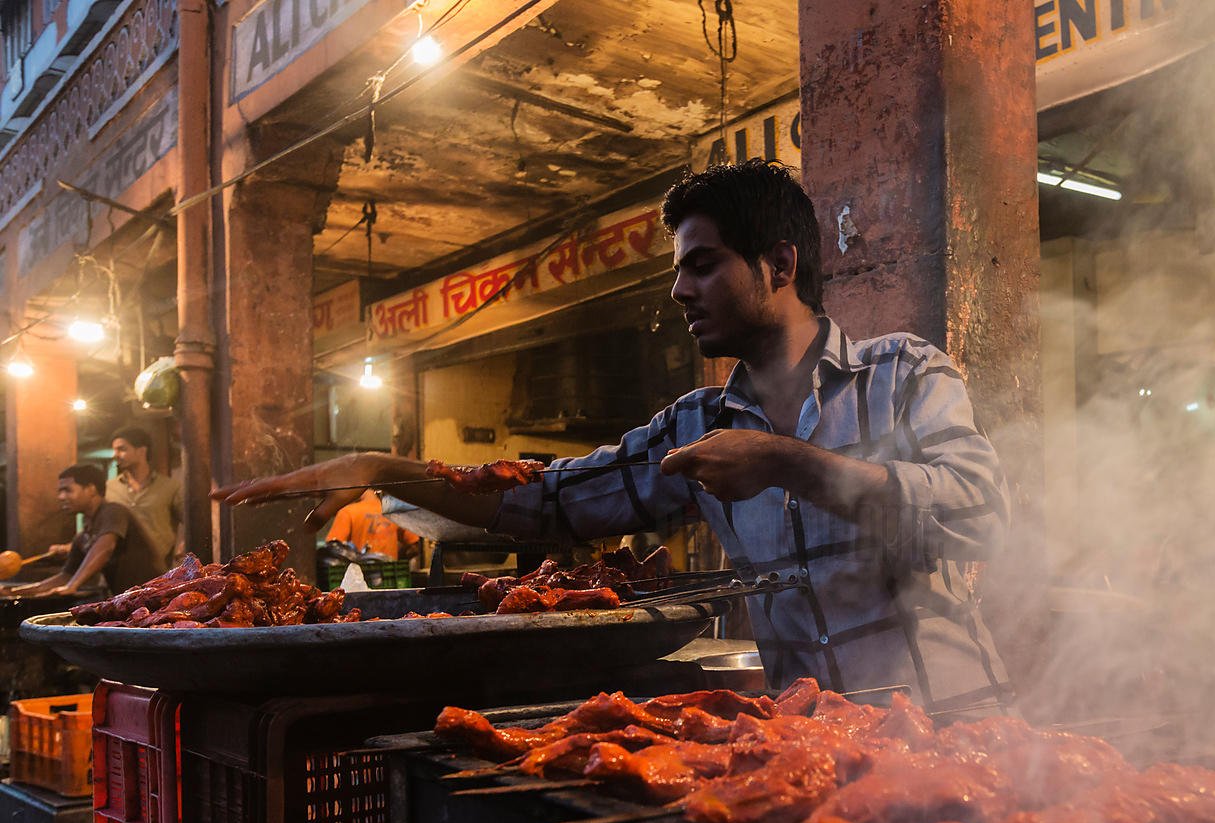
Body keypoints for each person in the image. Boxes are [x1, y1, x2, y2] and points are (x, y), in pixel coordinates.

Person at [217, 162, 1011, 711]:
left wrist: (786, 463)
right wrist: (381, 469)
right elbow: (551, 501)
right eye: (679, 268)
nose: (678, 289)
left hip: (958, 730)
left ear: (778, 263)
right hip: (822, 750)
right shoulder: (699, 426)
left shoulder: (902, 370)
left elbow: (981, 512)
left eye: (701, 264)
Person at [14, 464, 164, 596]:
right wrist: (15, 592)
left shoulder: (114, 511)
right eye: (59, 491)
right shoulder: (82, 536)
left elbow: (105, 548)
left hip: (155, 595)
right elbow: (66, 575)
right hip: (130, 600)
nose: (61, 497)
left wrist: (72, 585)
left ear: (91, 489)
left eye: (67, 490)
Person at [105, 425, 184, 568]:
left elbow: (191, 522)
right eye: (114, 450)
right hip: (116, 571)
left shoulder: (170, 487)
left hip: (158, 571)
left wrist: (184, 545)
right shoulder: (109, 488)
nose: (114, 455)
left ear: (142, 451)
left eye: (121, 449)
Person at [326, 489, 421, 560]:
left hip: (359, 576)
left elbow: (334, 546)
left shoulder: (347, 512)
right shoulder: (393, 511)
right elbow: (414, 547)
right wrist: (397, 558)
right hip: (390, 574)